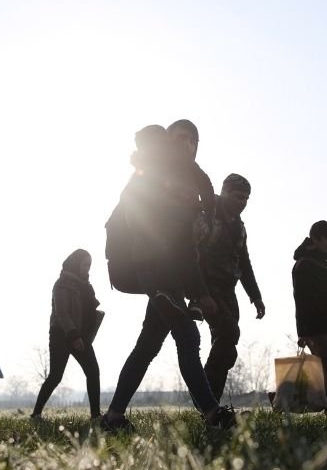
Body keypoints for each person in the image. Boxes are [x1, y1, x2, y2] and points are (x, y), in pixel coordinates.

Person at [101, 121, 236, 432]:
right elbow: (174, 244)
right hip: (155, 271)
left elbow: (188, 247)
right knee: (188, 337)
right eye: (179, 139)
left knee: (147, 346)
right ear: (166, 144)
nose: (186, 145)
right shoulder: (160, 182)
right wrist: (201, 292)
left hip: (166, 274)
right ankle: (213, 415)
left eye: (192, 140)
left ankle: (113, 417)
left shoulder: (187, 184)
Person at [197, 173, 265, 402]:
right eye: (238, 197)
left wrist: (255, 297)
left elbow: (244, 263)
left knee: (226, 348)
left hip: (228, 290)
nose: (243, 202)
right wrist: (199, 293)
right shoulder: (206, 216)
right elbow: (191, 255)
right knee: (229, 335)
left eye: (246, 198)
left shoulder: (239, 228)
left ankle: (210, 404)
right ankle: (203, 396)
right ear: (225, 193)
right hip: (207, 287)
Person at [32, 249, 103, 420]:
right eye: (85, 265)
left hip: (82, 336)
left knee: (93, 372)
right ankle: (36, 414)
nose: (87, 269)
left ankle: (95, 416)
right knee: (56, 376)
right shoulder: (61, 285)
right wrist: (73, 335)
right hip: (62, 336)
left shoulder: (86, 285)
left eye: (89, 265)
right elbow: (62, 313)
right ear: (75, 263)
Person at [292, 220, 327, 411]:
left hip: (322, 326)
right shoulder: (305, 265)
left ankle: (287, 400)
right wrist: (302, 332)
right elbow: (301, 300)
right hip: (314, 328)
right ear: (315, 239)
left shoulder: (317, 263)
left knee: (322, 371)